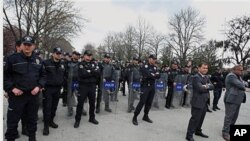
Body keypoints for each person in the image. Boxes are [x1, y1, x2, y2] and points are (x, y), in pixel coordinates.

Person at [4, 35, 46, 141]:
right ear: (21, 45)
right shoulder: (12, 59)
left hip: (33, 96)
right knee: (12, 122)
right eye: (25, 44)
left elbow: (43, 76)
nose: (27, 47)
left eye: (29, 45)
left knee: (32, 120)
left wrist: (39, 86)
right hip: (17, 96)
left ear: (34, 46)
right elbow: (4, 76)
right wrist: (12, 89)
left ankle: (32, 138)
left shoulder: (38, 60)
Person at [186, 62, 214, 141]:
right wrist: (206, 86)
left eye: (206, 68)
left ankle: (198, 131)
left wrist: (205, 86)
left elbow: (212, 86)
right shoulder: (196, 77)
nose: (205, 69)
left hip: (205, 101)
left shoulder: (206, 77)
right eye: (203, 68)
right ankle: (189, 135)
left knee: (201, 118)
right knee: (194, 119)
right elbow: (200, 89)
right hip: (197, 101)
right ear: (199, 68)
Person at [42, 47, 66, 135]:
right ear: (53, 54)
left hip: (57, 89)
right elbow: (42, 75)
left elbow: (64, 75)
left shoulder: (62, 64)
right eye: (57, 53)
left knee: (54, 107)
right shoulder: (46, 63)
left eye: (60, 53)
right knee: (47, 108)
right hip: (48, 89)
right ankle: (45, 126)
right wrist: (42, 85)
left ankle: (51, 121)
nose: (58, 55)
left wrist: (63, 83)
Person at [74, 50, 100, 128]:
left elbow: (98, 73)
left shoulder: (94, 63)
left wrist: (89, 71)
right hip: (83, 86)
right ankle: (77, 120)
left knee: (92, 103)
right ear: (84, 56)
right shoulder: (80, 64)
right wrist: (93, 71)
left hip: (92, 86)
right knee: (80, 104)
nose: (89, 57)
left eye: (90, 56)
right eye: (88, 55)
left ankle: (92, 118)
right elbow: (83, 74)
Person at [132, 54, 160, 126]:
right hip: (145, 86)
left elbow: (158, 76)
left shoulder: (155, 67)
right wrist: (153, 75)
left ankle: (145, 116)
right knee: (142, 102)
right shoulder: (144, 66)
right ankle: (135, 117)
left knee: (149, 102)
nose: (154, 60)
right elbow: (148, 75)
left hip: (152, 86)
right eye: (153, 59)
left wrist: (153, 75)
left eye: (155, 59)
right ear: (149, 59)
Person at [222, 65, 246, 141]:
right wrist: (243, 84)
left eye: (242, 70)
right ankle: (225, 133)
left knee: (234, 117)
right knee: (229, 117)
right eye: (240, 70)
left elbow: (244, 84)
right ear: (234, 70)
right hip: (231, 99)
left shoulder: (238, 76)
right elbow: (241, 85)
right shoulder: (231, 76)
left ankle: (229, 130)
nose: (241, 72)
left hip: (237, 99)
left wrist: (243, 84)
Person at [66, 51, 81, 116]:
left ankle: (81, 108)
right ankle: (70, 109)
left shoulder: (80, 64)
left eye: (78, 55)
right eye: (76, 55)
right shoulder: (67, 63)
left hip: (77, 82)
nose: (77, 56)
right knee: (70, 96)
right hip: (70, 82)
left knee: (79, 95)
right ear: (72, 55)